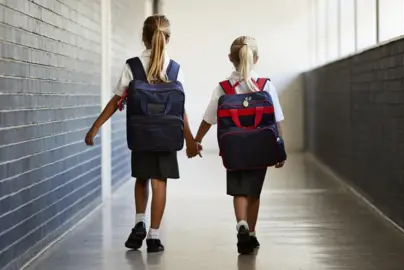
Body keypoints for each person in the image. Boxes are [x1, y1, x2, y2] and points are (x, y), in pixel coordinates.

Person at [84, 15, 199, 253]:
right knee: (160, 183)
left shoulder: (133, 66)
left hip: (141, 134)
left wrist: (95, 127)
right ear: (168, 39)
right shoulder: (176, 69)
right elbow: (181, 110)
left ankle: (139, 222)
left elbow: (116, 101)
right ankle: (154, 237)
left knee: (142, 178)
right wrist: (190, 140)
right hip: (167, 135)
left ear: (144, 37)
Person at [193, 36, 285, 254]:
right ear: (256, 59)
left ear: (230, 59)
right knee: (254, 192)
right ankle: (251, 234)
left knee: (239, 191)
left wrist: (197, 139)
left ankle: (241, 224)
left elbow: (208, 118)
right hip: (261, 147)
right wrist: (280, 148)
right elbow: (277, 119)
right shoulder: (266, 86)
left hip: (233, 148)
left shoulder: (223, 88)